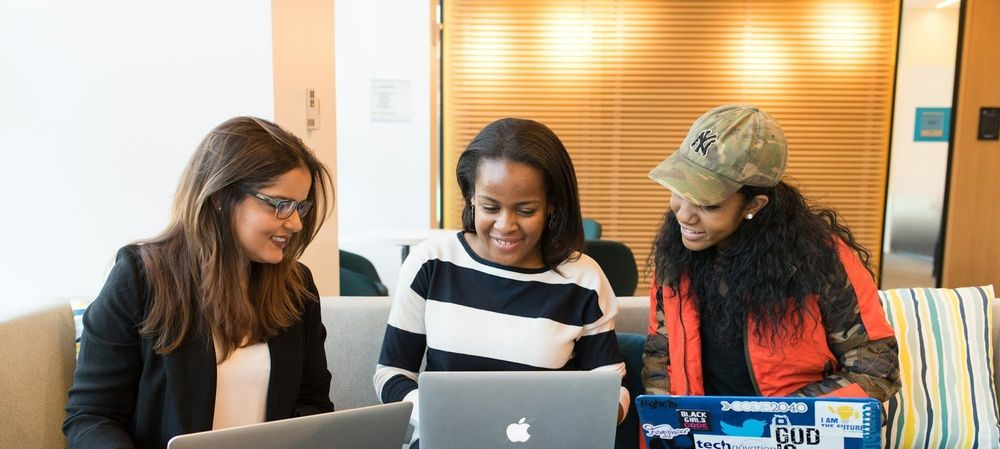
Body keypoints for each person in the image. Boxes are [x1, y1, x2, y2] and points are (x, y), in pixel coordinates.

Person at [63, 117, 336, 449]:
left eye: (299, 207)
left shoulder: (297, 288)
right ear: (220, 196)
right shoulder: (140, 277)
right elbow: (91, 418)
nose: (294, 222)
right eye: (279, 204)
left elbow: (314, 404)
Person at [374, 118, 629, 445]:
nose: (505, 226)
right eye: (490, 207)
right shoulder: (432, 262)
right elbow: (391, 375)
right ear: (470, 197)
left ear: (551, 205)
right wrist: (439, 414)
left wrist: (599, 413)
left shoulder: (583, 279)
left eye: (525, 210)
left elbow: (611, 386)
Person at [641, 105, 900, 402]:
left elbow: (876, 368)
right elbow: (661, 355)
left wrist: (781, 415)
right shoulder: (676, 258)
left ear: (754, 205)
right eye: (679, 192)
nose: (684, 215)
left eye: (708, 204)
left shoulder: (822, 260)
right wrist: (667, 422)